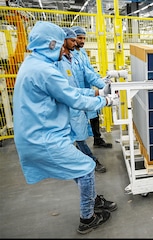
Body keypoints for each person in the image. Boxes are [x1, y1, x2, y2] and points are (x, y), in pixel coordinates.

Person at [13, 21, 118, 234]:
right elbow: (74, 99)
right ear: (50, 44)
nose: (65, 48)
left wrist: (96, 93)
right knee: (87, 168)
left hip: (38, 134)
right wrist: (106, 101)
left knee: (78, 168)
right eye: (62, 44)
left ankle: (93, 200)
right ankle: (87, 218)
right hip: (43, 139)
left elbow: (70, 90)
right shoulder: (45, 71)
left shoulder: (33, 63)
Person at [57, 27, 108, 173]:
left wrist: (104, 85)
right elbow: (68, 90)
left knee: (80, 130)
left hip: (81, 97)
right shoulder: (59, 62)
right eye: (74, 39)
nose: (77, 42)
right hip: (71, 102)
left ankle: (82, 155)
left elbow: (88, 72)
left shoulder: (74, 57)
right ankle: (90, 160)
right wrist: (98, 93)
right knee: (77, 134)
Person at [71, 26, 115, 149]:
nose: (82, 41)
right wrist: (103, 86)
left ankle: (97, 139)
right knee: (78, 118)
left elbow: (90, 70)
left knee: (94, 113)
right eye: (79, 38)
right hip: (78, 89)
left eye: (84, 38)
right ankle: (80, 147)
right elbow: (88, 74)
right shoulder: (70, 55)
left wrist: (103, 80)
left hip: (88, 88)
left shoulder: (83, 52)